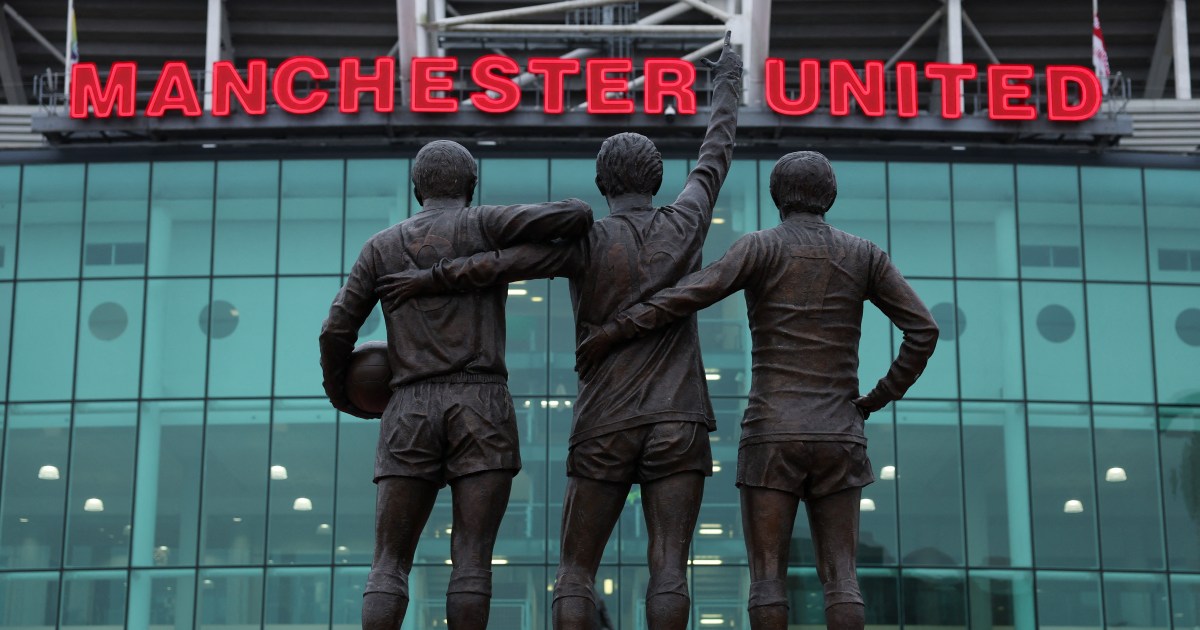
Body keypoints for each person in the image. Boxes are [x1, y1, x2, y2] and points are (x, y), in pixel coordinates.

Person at [375, 36, 742, 630]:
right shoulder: (687, 222)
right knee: (670, 567)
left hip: (603, 421)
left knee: (575, 573)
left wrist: (427, 278)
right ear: (656, 179)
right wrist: (727, 82)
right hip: (680, 418)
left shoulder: (586, 242)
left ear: (600, 182)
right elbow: (716, 151)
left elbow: (500, 265)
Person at [575, 151, 939, 630]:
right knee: (842, 578)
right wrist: (878, 396)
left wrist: (616, 329)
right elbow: (924, 330)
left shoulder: (760, 247)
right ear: (830, 196)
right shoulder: (863, 254)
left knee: (767, 579)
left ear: (776, 198)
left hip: (771, 431)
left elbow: (688, 294)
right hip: (839, 430)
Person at [318, 140, 592, 630]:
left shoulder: (381, 247)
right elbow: (576, 215)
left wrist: (345, 395)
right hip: (481, 401)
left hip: (409, 405)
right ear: (471, 185)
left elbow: (336, 330)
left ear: (416, 189)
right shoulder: (484, 224)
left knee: (388, 561)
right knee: (472, 559)